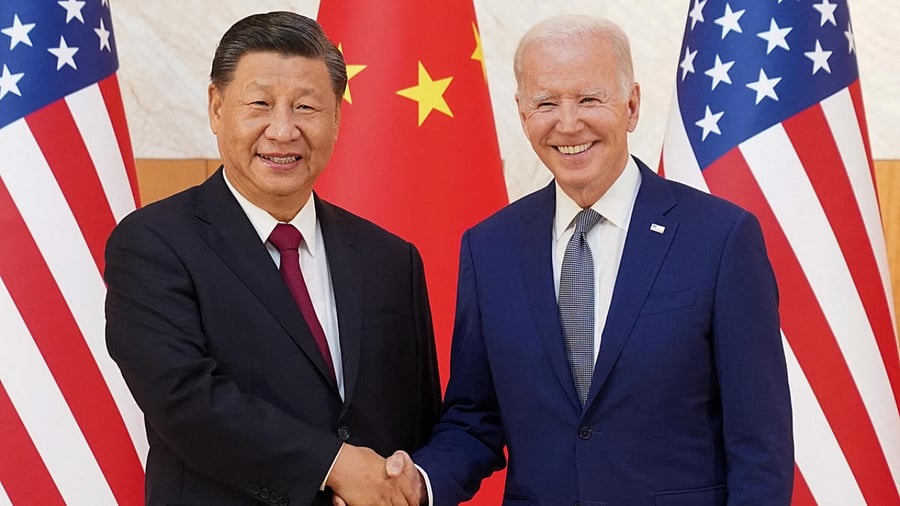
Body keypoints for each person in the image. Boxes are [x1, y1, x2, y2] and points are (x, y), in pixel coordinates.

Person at [383, 14, 794, 506]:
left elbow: (760, 446)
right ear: (522, 114)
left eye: (589, 99)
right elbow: (476, 418)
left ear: (631, 106)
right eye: (546, 103)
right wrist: (418, 482)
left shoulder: (721, 238)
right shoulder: (489, 247)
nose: (568, 123)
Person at [104, 11, 440, 506]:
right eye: (260, 103)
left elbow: (416, 419)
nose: (283, 131)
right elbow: (185, 402)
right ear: (217, 107)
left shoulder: (390, 259)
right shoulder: (153, 243)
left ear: (336, 117)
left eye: (306, 107)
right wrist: (333, 466)